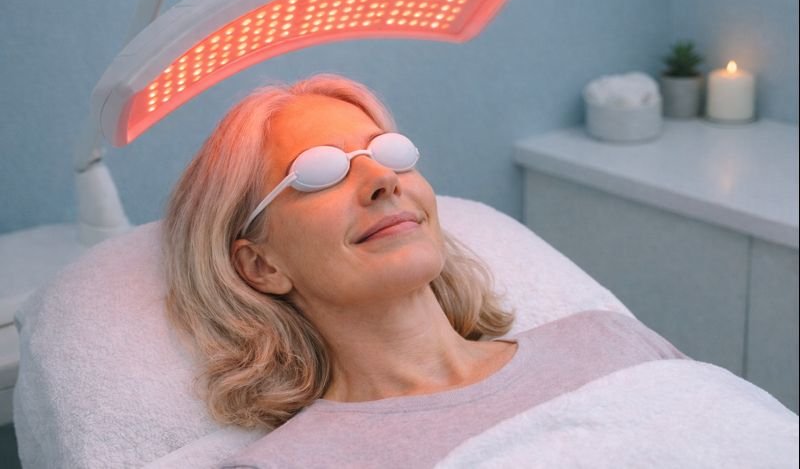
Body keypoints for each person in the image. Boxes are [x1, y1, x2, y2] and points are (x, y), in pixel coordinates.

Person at [163, 74, 686, 468]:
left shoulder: (607, 341)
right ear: (261, 265)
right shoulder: (292, 463)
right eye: (320, 170)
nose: (382, 179)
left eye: (390, 151)